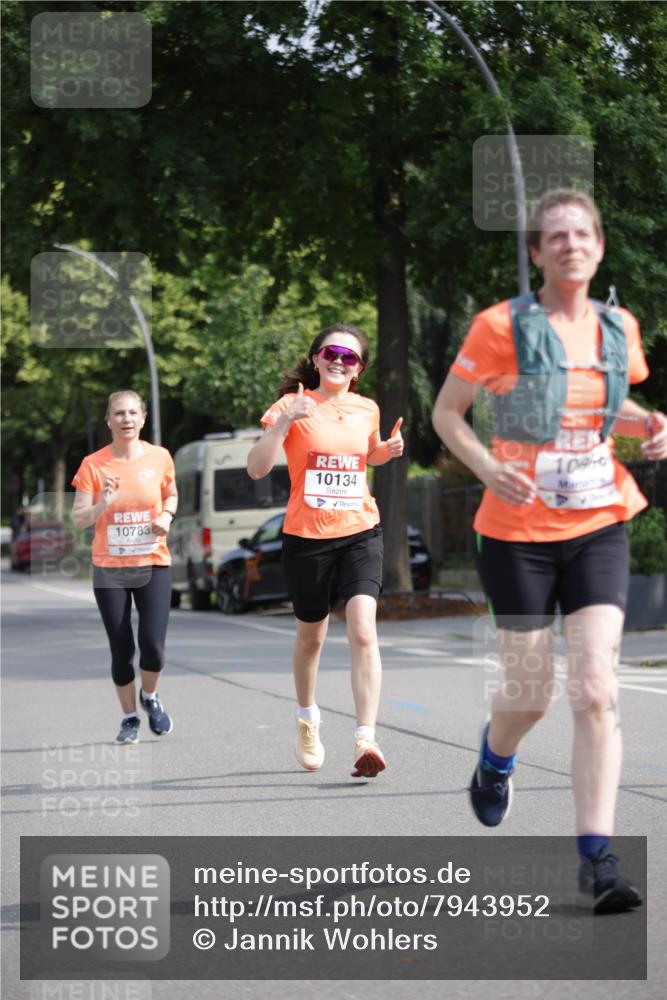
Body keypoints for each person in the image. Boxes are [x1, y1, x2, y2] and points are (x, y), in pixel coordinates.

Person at [432, 189, 667, 913]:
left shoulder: (616, 327)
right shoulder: (500, 327)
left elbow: (597, 408)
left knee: (596, 690)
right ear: (536, 253)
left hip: (598, 519)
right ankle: (494, 759)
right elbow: (448, 412)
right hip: (517, 533)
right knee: (529, 695)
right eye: (554, 236)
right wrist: (483, 466)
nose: (570, 244)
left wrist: (651, 425)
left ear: (598, 247)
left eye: (581, 234)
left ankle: (597, 857)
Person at [247, 324, 404, 778]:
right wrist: (284, 421)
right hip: (306, 537)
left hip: (360, 531)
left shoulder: (367, 408)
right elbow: (257, 469)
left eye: (350, 357)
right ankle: (307, 717)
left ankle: (365, 738)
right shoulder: (292, 406)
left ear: (359, 370)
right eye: (332, 352)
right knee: (311, 638)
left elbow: (366, 454)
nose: (340, 360)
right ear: (316, 358)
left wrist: (386, 451)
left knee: (363, 630)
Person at [72, 390, 178, 744]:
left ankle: (150, 696)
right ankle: (130, 717)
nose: (127, 419)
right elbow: (78, 520)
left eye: (133, 413)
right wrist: (104, 503)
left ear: (143, 418)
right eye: (119, 413)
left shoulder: (160, 457)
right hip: (110, 568)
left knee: (153, 645)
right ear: (108, 420)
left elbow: (171, 494)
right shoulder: (93, 464)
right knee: (122, 649)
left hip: (153, 562)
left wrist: (166, 515)